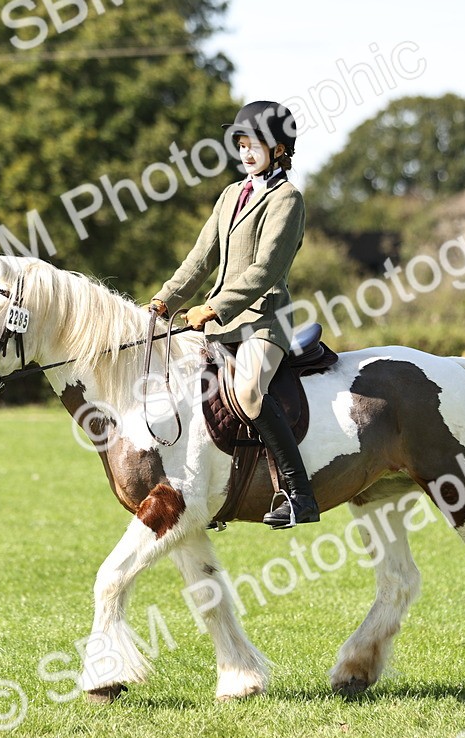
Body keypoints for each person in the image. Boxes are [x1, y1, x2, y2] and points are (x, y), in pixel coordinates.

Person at [149, 100, 320, 529]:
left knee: (247, 393)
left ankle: (299, 495)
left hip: (265, 320)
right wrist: (164, 300)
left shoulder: (288, 200)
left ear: (279, 150)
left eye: (254, 145)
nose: (245, 152)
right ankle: (207, 493)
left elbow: (266, 270)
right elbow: (199, 260)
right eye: (241, 144)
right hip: (220, 324)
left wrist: (212, 307)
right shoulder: (230, 195)